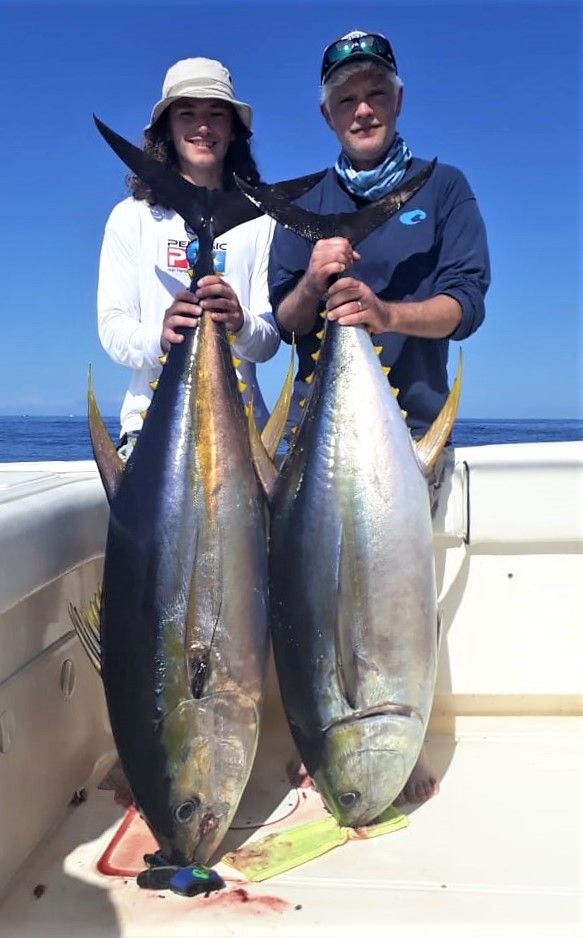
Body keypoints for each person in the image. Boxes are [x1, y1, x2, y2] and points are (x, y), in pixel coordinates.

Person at [268, 30, 491, 805]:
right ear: (326, 112)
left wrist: (385, 309)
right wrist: (316, 278)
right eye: (344, 99)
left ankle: (401, 736)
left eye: (373, 93)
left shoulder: (444, 188)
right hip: (313, 450)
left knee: (397, 595)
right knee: (313, 600)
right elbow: (287, 320)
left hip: (409, 440)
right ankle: (324, 728)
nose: (360, 108)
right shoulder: (298, 205)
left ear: (397, 100)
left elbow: (465, 306)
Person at [97, 57, 280, 461]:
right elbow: (111, 327)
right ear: (167, 128)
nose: (203, 126)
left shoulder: (261, 222)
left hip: (243, 433)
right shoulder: (130, 218)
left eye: (217, 113)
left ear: (234, 131)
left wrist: (239, 320)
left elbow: (268, 339)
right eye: (187, 113)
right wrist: (160, 335)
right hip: (151, 431)